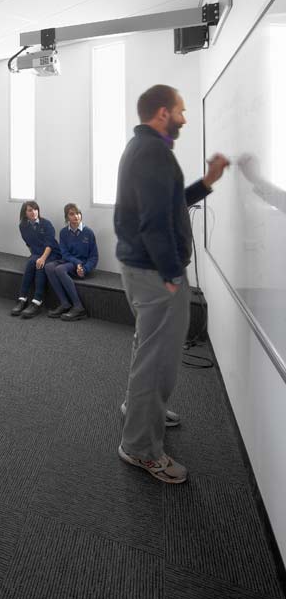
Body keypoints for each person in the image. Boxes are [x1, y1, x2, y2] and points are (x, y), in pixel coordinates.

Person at [114, 84, 228, 484]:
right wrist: (170, 274)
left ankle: (141, 407)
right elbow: (154, 223)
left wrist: (207, 181)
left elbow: (167, 202)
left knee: (149, 348)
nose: (184, 117)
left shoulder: (144, 149)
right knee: (158, 358)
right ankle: (141, 448)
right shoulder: (153, 153)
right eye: (180, 111)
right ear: (162, 113)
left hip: (141, 268)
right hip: (154, 273)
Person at [45, 203, 98, 320]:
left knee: (59, 269)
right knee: (48, 267)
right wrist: (76, 262)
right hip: (69, 261)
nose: (76, 216)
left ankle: (79, 308)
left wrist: (84, 268)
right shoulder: (63, 232)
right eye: (72, 214)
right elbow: (65, 254)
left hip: (81, 265)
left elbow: (94, 257)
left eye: (78, 213)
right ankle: (65, 303)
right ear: (66, 217)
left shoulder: (88, 232)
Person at [10, 201, 61, 319]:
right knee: (31, 263)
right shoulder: (22, 226)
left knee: (39, 266)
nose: (33, 212)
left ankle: (37, 302)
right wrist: (34, 256)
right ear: (25, 213)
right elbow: (29, 243)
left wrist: (42, 258)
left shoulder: (46, 224)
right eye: (30, 210)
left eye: (35, 209)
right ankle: (22, 299)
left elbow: (50, 244)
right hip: (37, 253)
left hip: (52, 253)